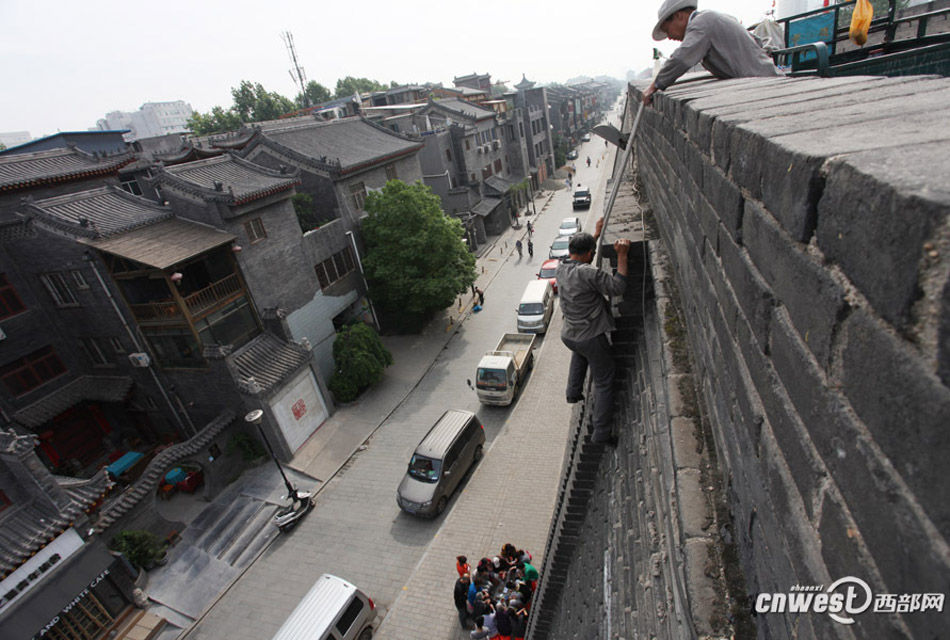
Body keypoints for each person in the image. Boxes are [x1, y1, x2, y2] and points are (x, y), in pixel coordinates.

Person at [555, 218, 630, 446]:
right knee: (605, 379)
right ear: (589, 253)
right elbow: (617, 287)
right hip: (589, 335)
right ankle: (601, 434)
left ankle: (573, 391)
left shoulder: (561, 268)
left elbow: (582, 255)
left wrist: (595, 235)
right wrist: (622, 255)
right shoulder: (588, 273)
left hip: (570, 333)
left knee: (581, 351)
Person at [642, 0, 783, 105]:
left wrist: (654, 86)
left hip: (765, 83)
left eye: (668, 30)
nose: (670, 36)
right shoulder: (711, 18)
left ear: (679, 16)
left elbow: (682, 58)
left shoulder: (701, 23)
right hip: (765, 77)